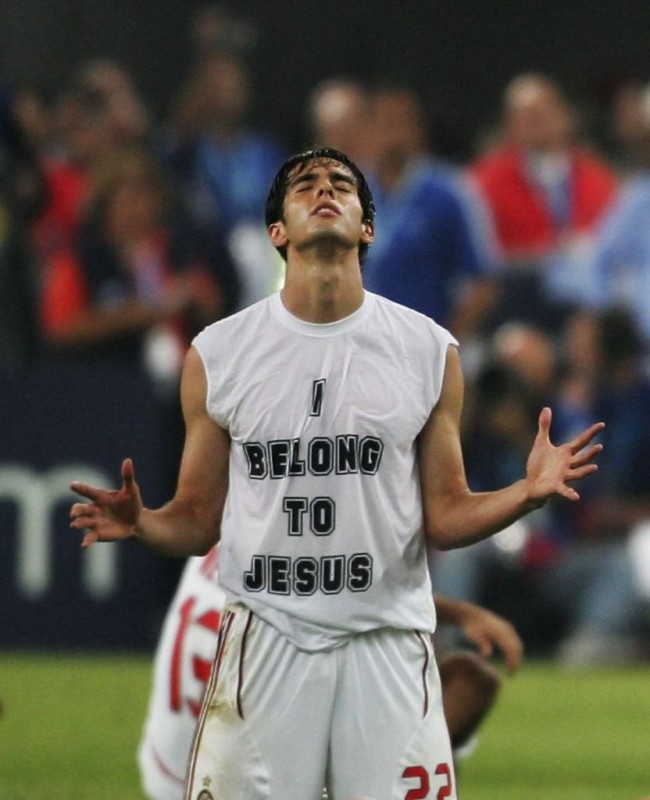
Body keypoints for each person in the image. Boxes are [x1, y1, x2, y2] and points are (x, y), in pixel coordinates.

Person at [69, 147, 603, 800]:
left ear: (367, 227)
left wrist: (525, 493)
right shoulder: (219, 353)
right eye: (305, 185)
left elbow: (445, 513)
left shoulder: (427, 350)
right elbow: (198, 519)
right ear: (278, 231)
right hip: (264, 641)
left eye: (343, 185)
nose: (325, 189)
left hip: (387, 646)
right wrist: (145, 523)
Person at [137, 545, 523, 800]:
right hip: (238, 771)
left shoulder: (229, 543)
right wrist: (461, 614)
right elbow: (339, 599)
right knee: (469, 682)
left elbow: (320, 591)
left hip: (170, 764)